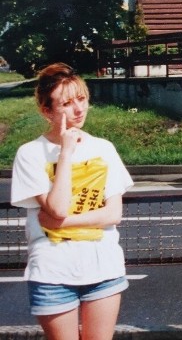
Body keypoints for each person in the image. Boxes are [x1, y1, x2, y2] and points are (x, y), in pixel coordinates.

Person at [11, 63, 134, 340]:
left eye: (82, 99)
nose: (79, 109)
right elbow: (55, 207)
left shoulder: (103, 148)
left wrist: (59, 223)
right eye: (66, 103)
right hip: (53, 271)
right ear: (46, 111)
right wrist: (65, 154)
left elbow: (113, 214)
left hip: (103, 266)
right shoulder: (30, 154)